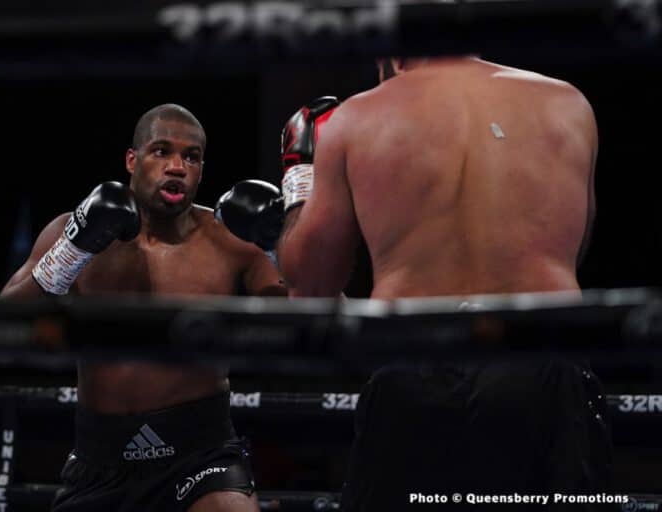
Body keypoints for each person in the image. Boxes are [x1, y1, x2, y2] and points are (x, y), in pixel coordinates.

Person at [216, 57, 610, 510]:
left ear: (389, 53)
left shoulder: (360, 117)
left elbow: (310, 289)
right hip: (543, 364)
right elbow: (574, 251)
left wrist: (300, 177)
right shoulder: (567, 104)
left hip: (416, 373)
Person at [0, 104, 284, 512]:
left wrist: (279, 247)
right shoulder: (72, 232)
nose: (177, 167)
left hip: (201, 455)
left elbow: (324, 317)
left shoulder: (232, 242)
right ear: (132, 160)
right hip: (100, 460)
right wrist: (68, 255)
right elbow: (3, 325)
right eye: (161, 151)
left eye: (191, 157)